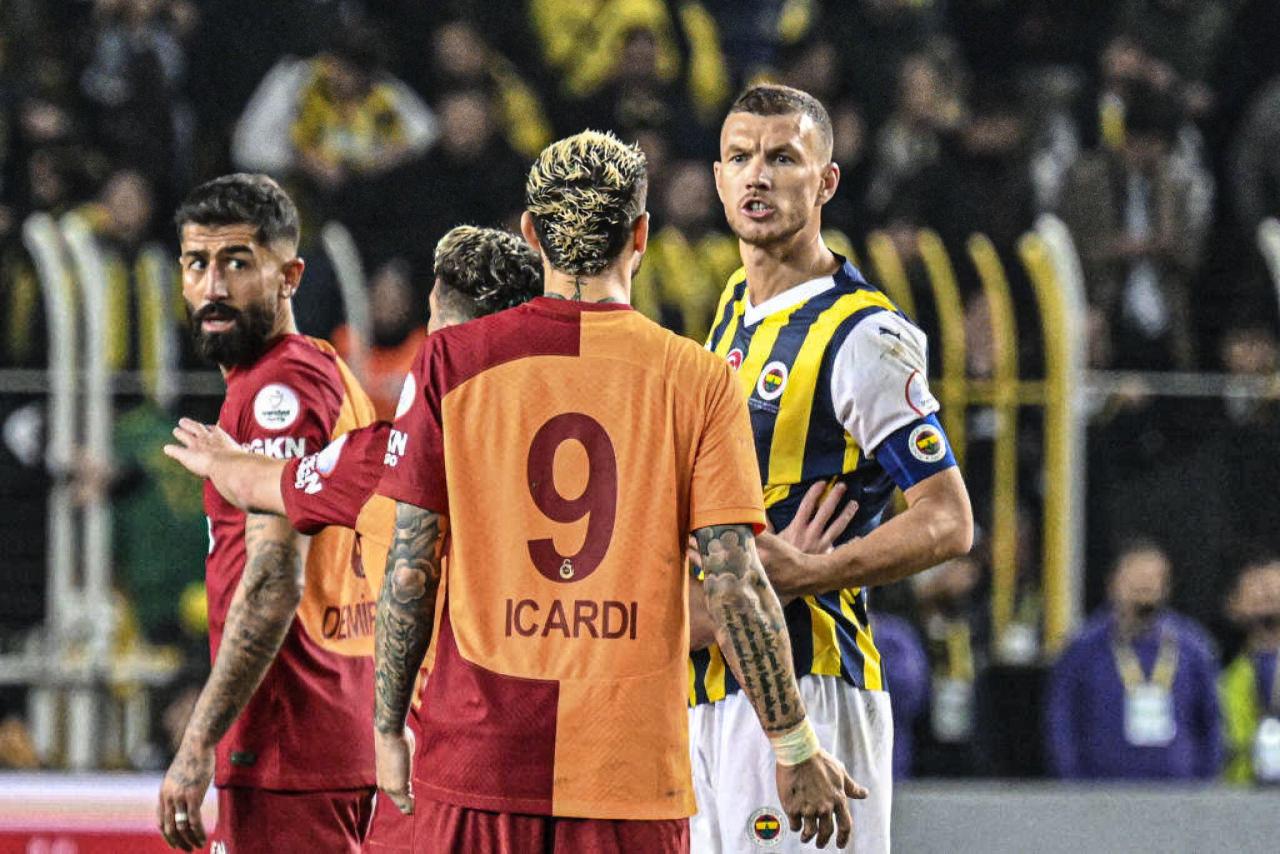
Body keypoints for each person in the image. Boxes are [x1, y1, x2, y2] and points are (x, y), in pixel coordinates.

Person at [371, 129, 864, 852]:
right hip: (627, 775)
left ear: (531, 233)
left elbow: (411, 566)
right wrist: (792, 744)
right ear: (641, 236)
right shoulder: (698, 379)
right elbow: (734, 582)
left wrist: (388, 727)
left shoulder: (450, 360)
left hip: (477, 763)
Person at [163, 224, 543, 853]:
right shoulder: (586, 453)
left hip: (433, 780)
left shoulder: (383, 458)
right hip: (553, 767)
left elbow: (270, 486)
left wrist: (220, 461)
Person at [687, 84, 974, 854]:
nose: (758, 176)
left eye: (784, 158)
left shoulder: (863, 335)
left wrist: (815, 571)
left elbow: (949, 520)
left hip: (809, 680)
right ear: (718, 178)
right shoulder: (734, 305)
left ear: (826, 182)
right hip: (712, 682)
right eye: (741, 158)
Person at [158, 174, 380, 852]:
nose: (212, 288)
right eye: (197, 263)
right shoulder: (318, 371)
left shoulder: (278, 389)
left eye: (237, 263)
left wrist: (198, 741)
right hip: (323, 738)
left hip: (290, 743)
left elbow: (274, 578)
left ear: (290, 278)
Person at [1045, 540, 1222, 780]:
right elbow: (1062, 720)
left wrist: (1204, 783)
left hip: (1178, 789)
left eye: (1153, 578)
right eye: (1136, 577)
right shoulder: (1083, 649)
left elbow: (1212, 721)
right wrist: (1073, 782)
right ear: (1113, 584)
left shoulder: (1193, 647)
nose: (1144, 585)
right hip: (1102, 789)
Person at [1220, 558, 1280, 785]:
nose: (1267, 593)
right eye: (1258, 586)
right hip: (1241, 790)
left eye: (1273, 586)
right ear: (1233, 604)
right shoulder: (1223, 668)